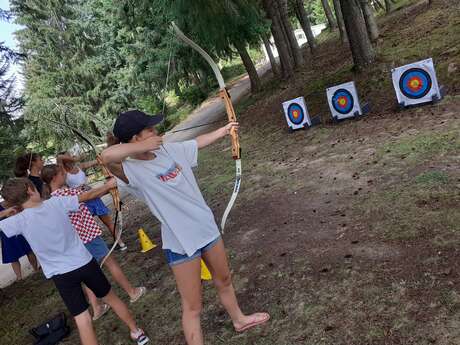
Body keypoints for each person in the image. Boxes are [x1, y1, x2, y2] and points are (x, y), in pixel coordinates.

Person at [101, 110, 270, 345]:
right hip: (181, 242)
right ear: (135, 138)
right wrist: (139, 148)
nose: (155, 132)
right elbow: (106, 156)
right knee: (192, 306)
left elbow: (196, 143)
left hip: (206, 228)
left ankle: (239, 320)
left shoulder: (167, 150)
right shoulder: (130, 171)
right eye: (149, 130)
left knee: (224, 279)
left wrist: (224, 130)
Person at [0, 178, 149, 345]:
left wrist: (7, 212)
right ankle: (137, 333)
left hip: (61, 276)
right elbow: (88, 195)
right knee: (111, 298)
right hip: (85, 263)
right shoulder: (57, 203)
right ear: (29, 189)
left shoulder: (17, 221)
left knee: (82, 318)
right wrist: (108, 185)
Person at [41, 164, 146, 320]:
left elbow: (89, 194)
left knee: (88, 273)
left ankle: (97, 308)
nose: (65, 176)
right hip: (88, 237)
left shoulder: (50, 201)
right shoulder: (67, 193)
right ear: (55, 177)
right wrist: (109, 185)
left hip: (75, 243)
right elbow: (90, 195)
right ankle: (132, 292)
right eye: (63, 173)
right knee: (110, 263)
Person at [57, 152, 127, 251]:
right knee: (87, 227)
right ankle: (97, 249)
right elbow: (59, 157)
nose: (72, 156)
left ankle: (121, 243)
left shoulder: (79, 166)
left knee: (108, 222)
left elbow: (96, 161)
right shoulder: (64, 172)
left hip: (93, 196)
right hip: (81, 202)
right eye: (69, 156)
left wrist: (102, 156)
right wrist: (74, 159)